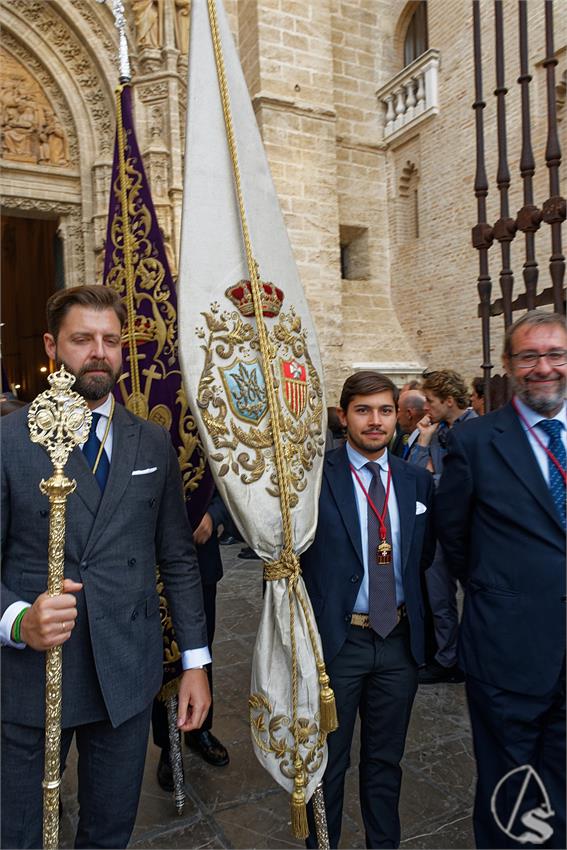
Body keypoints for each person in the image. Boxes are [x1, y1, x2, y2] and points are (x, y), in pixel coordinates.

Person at [1, 285, 211, 849]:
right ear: (52, 346)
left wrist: (195, 662)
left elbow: (177, 558)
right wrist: (19, 620)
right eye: (82, 339)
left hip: (126, 672)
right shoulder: (9, 442)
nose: (99, 352)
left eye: (111, 341)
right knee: (18, 834)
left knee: (108, 833)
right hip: (33, 676)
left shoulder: (151, 442)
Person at [436, 310, 566, 849]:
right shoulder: (474, 442)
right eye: (529, 356)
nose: (544, 367)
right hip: (508, 650)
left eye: (555, 354)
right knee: (512, 789)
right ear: (510, 365)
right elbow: (454, 538)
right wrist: (506, 592)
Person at [301, 371, 435, 848]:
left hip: (397, 642)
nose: (375, 421)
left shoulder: (417, 481)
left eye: (384, 410)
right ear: (344, 416)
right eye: (363, 410)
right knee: (327, 764)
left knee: (385, 763)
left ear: (397, 415)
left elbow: (424, 557)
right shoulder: (315, 478)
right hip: (338, 644)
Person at [154, 490, 232, 791]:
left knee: (200, 647)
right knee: (160, 654)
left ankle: (200, 730)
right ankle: (167, 744)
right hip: (152, 557)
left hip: (200, 555)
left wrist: (214, 515)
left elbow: (230, 479)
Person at [407, 368, 477, 684]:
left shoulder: (479, 430)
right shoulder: (433, 430)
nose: (425, 407)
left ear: (449, 400)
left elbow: (467, 485)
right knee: (439, 599)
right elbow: (412, 478)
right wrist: (423, 440)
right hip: (437, 530)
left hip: (471, 531)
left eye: (431, 400)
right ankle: (448, 659)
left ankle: (473, 659)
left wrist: (434, 478)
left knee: (476, 599)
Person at [391, 387, 425, 457]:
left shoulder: (427, 441)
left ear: (409, 414)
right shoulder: (401, 436)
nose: (397, 416)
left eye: (398, 411)